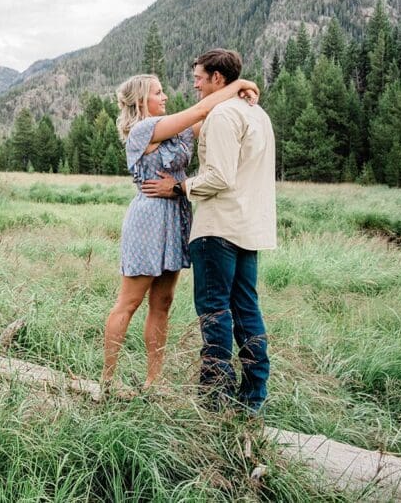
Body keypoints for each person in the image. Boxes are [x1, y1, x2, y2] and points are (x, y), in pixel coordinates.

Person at [101, 71, 259, 398]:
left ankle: (153, 381)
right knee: (128, 303)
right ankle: (107, 381)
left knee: (163, 303)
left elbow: (211, 117)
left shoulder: (178, 132)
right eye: (158, 93)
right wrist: (238, 85)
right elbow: (200, 111)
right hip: (149, 219)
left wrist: (238, 100)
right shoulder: (144, 130)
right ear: (141, 101)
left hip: (175, 217)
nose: (165, 97)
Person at [142, 49, 277, 415]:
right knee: (247, 309)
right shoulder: (257, 114)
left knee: (214, 312)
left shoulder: (223, 115)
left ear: (218, 78)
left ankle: (214, 398)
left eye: (199, 78)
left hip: (218, 228)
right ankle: (252, 398)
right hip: (248, 228)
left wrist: (178, 187)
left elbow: (218, 177)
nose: (196, 84)